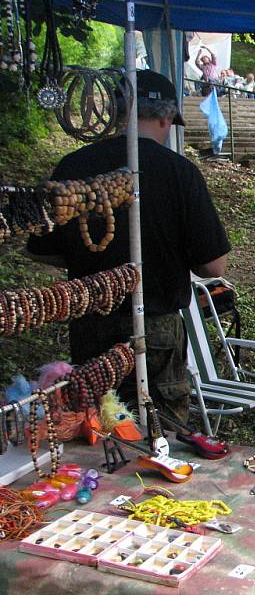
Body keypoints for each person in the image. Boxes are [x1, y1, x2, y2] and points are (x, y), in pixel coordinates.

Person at [26, 70, 231, 428]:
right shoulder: (179, 173)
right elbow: (214, 266)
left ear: (117, 111)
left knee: (98, 425)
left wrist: (90, 259)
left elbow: (40, 248)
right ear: (166, 118)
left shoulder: (73, 166)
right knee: (161, 433)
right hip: (155, 329)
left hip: (90, 323)